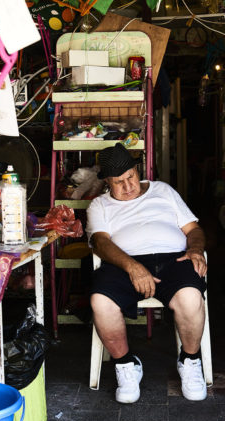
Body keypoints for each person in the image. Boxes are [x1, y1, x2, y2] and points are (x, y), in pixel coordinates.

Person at [85, 143, 208, 404]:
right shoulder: (99, 205)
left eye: (130, 177)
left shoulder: (163, 190)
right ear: (107, 183)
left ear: (136, 169)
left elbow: (193, 230)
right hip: (124, 264)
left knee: (190, 297)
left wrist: (196, 249)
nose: (128, 186)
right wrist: (132, 266)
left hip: (173, 258)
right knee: (101, 302)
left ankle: (190, 360)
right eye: (119, 182)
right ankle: (126, 365)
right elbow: (101, 243)